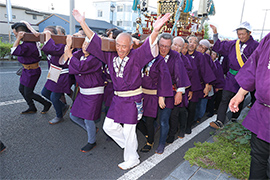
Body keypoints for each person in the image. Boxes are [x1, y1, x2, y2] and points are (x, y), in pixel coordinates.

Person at [72, 9, 171, 170]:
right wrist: (83, 22)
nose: (120, 49)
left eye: (124, 46)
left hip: (132, 99)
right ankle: (130, 147)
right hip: (118, 99)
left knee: (130, 130)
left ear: (131, 46)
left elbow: (147, 47)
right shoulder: (110, 56)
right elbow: (95, 41)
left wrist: (155, 30)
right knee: (108, 127)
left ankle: (132, 158)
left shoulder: (137, 56)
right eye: (118, 45)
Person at [229, 33, 270, 180]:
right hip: (263, 111)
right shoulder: (268, 39)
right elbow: (254, 65)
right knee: (258, 159)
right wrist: (240, 94)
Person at [209, 22, 259, 129]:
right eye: (239, 34)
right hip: (232, 76)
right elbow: (219, 46)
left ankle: (234, 117)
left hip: (245, 77)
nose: (240, 36)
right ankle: (219, 121)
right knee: (225, 98)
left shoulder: (256, 46)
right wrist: (215, 33)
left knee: (239, 97)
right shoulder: (234, 44)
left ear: (249, 33)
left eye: (243, 34)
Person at [63, 35, 104, 153]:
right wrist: (68, 45)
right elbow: (66, 60)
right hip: (83, 92)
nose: (85, 47)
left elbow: (80, 67)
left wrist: (70, 55)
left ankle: (92, 141)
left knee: (88, 118)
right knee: (73, 116)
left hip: (94, 92)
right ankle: (91, 129)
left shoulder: (96, 58)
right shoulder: (79, 55)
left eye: (89, 45)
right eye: (84, 44)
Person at [155, 33, 191, 154]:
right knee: (149, 118)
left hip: (169, 92)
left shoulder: (175, 56)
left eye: (167, 46)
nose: (164, 49)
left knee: (164, 120)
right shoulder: (153, 52)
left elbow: (180, 74)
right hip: (152, 91)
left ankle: (161, 143)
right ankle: (149, 138)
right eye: (161, 46)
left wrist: (180, 92)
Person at [11, 22, 52, 114]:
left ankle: (46, 103)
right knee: (22, 89)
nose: (15, 36)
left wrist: (18, 39)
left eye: (15, 34)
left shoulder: (28, 44)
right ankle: (32, 107)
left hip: (32, 71)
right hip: (26, 70)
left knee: (28, 92)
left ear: (22, 33)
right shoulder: (29, 40)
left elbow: (14, 51)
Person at [137, 54, 173, 152]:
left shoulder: (159, 60)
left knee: (149, 120)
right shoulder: (142, 57)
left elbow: (164, 78)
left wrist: (161, 96)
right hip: (140, 93)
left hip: (153, 94)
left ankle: (150, 141)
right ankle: (148, 133)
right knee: (136, 118)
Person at [167, 36, 199, 141]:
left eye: (181, 47)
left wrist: (190, 90)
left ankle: (177, 131)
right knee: (170, 113)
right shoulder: (166, 56)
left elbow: (190, 76)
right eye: (175, 45)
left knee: (178, 112)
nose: (177, 48)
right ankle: (173, 129)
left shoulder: (185, 60)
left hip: (180, 90)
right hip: (167, 89)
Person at [41, 26, 72, 125]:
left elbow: (53, 49)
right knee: (45, 92)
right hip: (54, 72)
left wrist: (49, 38)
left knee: (54, 97)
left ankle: (59, 116)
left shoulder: (62, 45)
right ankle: (62, 106)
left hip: (62, 74)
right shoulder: (53, 44)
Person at [185, 35, 216, 134]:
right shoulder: (181, 54)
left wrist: (207, 86)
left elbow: (205, 71)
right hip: (181, 87)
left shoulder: (200, 57)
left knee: (192, 107)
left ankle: (188, 125)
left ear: (197, 45)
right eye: (190, 41)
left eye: (195, 42)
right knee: (179, 109)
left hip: (194, 87)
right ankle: (180, 125)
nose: (192, 43)